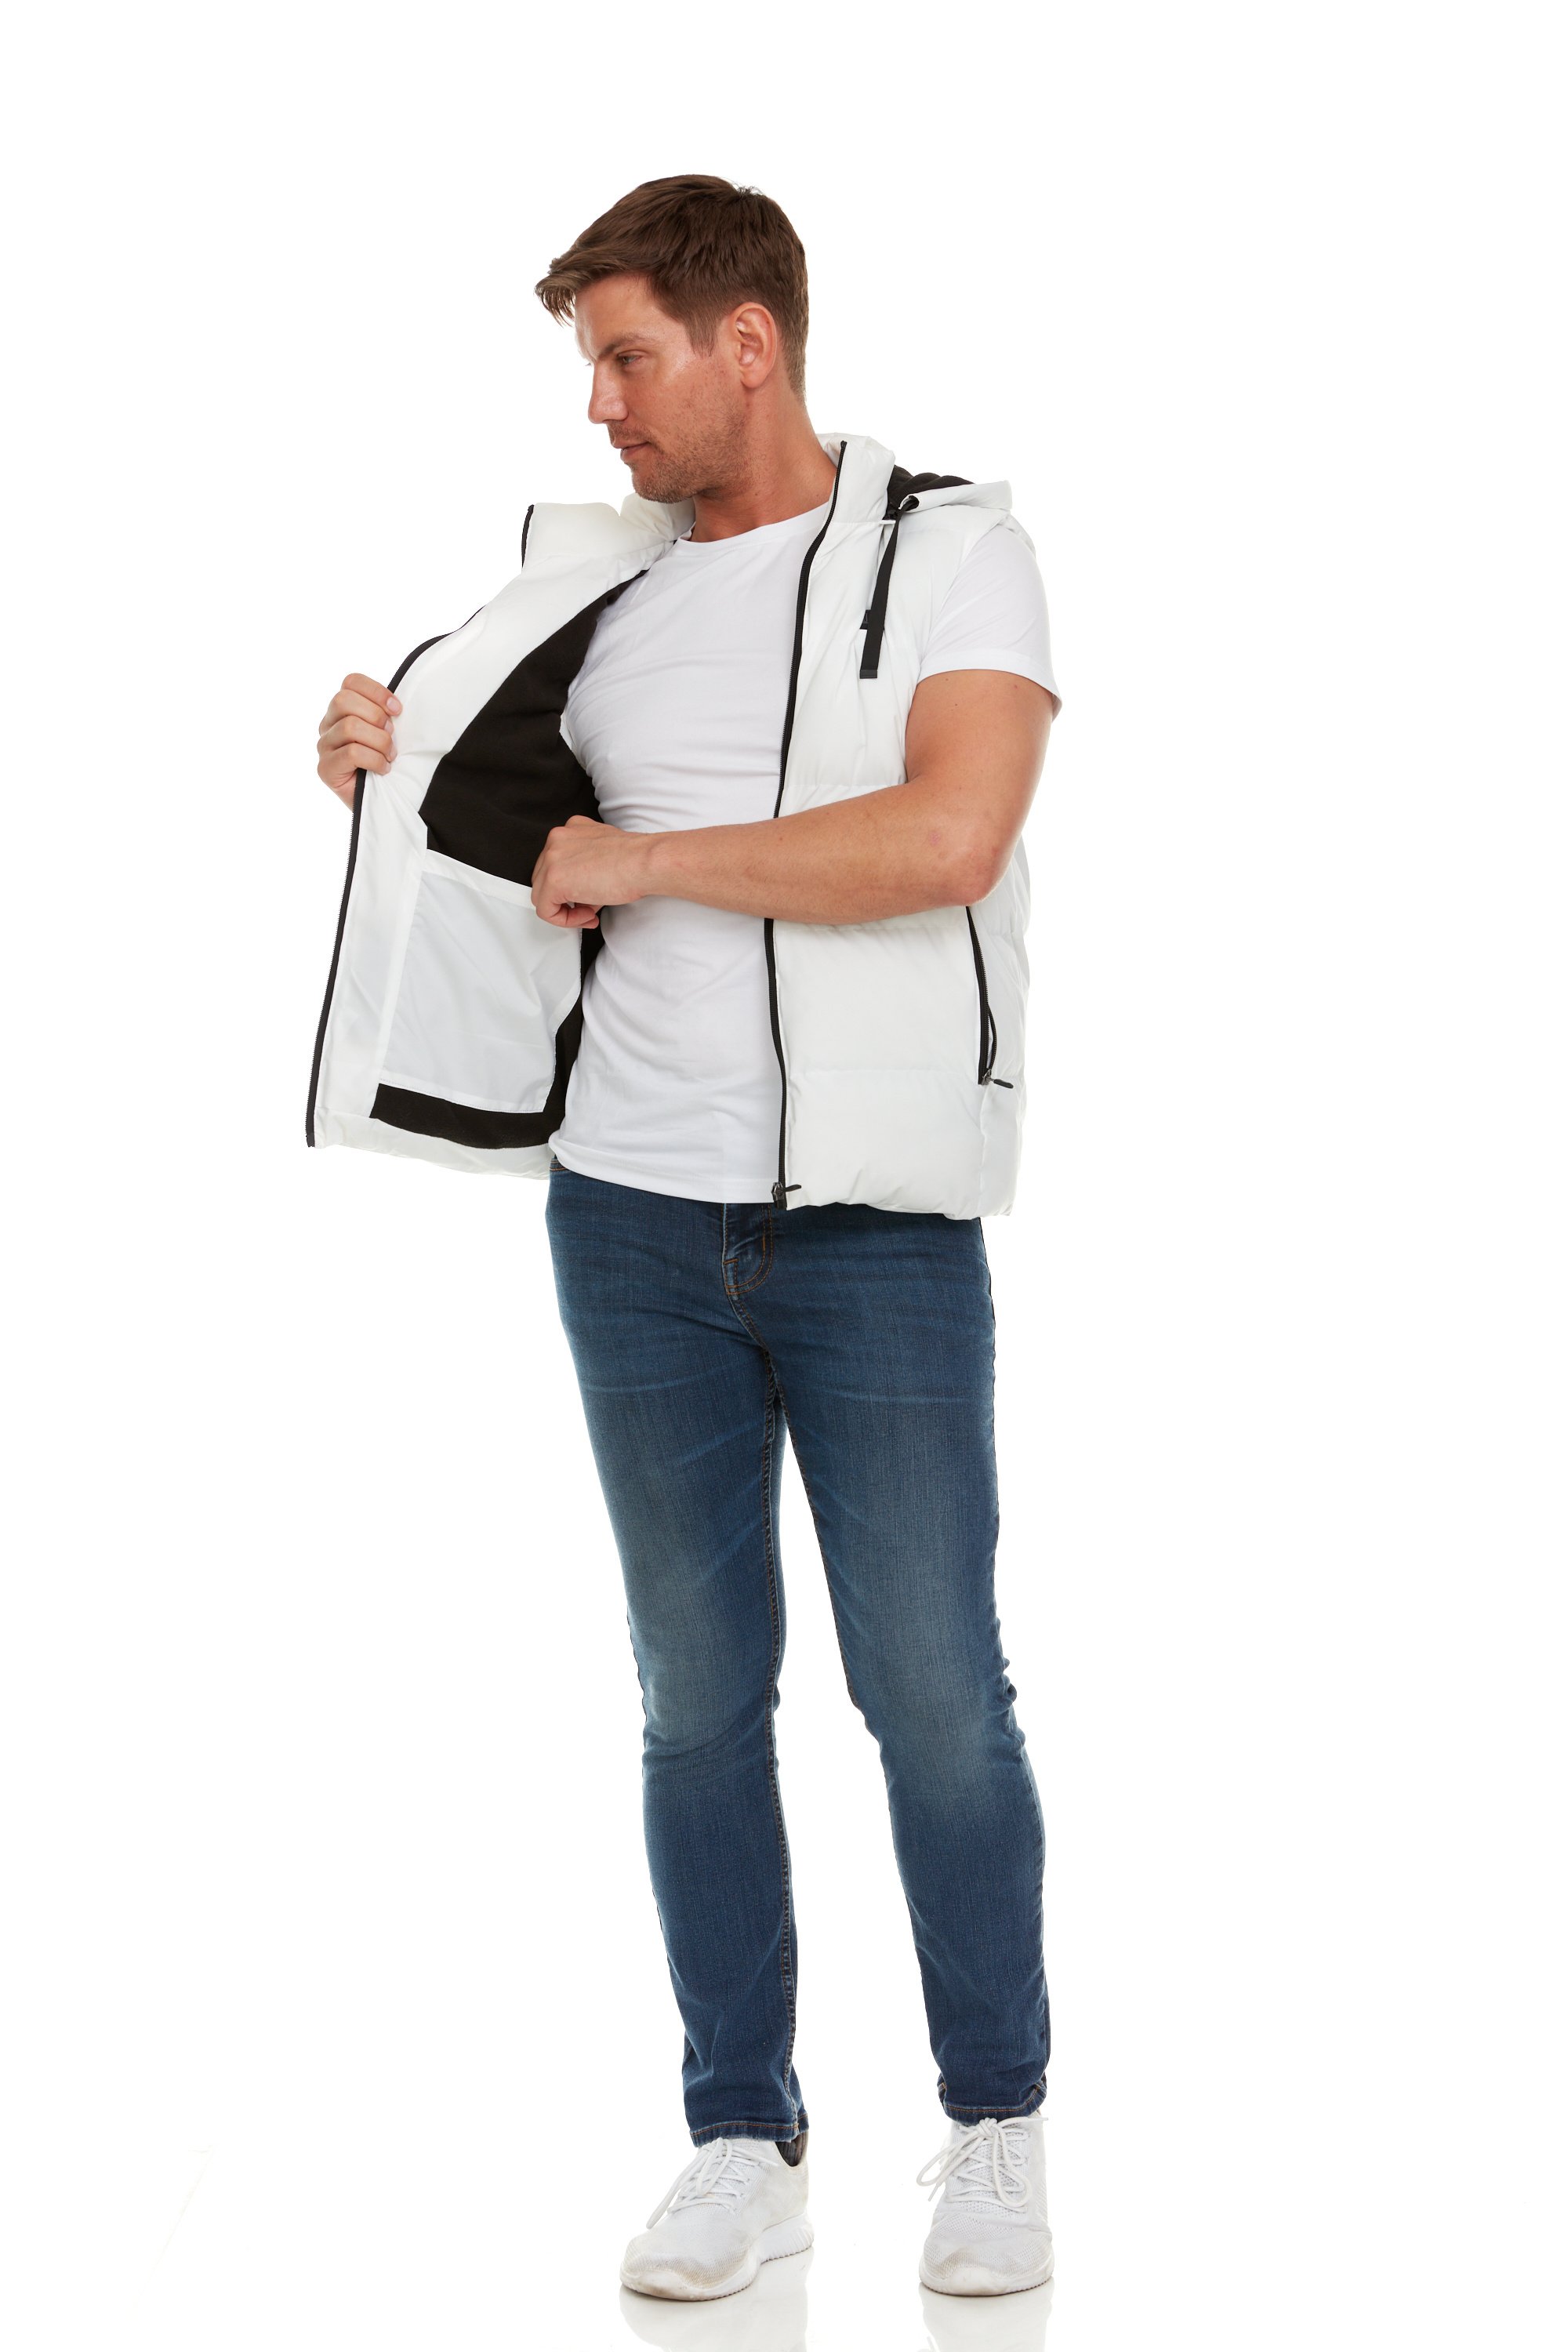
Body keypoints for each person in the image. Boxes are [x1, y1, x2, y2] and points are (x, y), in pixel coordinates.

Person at [312, 174, 1061, 2303]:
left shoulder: (958, 553)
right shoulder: (598, 593)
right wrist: (386, 783)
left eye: (629, 358)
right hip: (629, 1218)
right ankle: (742, 2132)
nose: (603, 409)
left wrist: (650, 860)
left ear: (752, 344)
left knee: (936, 1693)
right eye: (589, 369)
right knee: (695, 1699)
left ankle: (996, 2121)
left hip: (877, 1234)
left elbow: (950, 835)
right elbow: (519, 861)